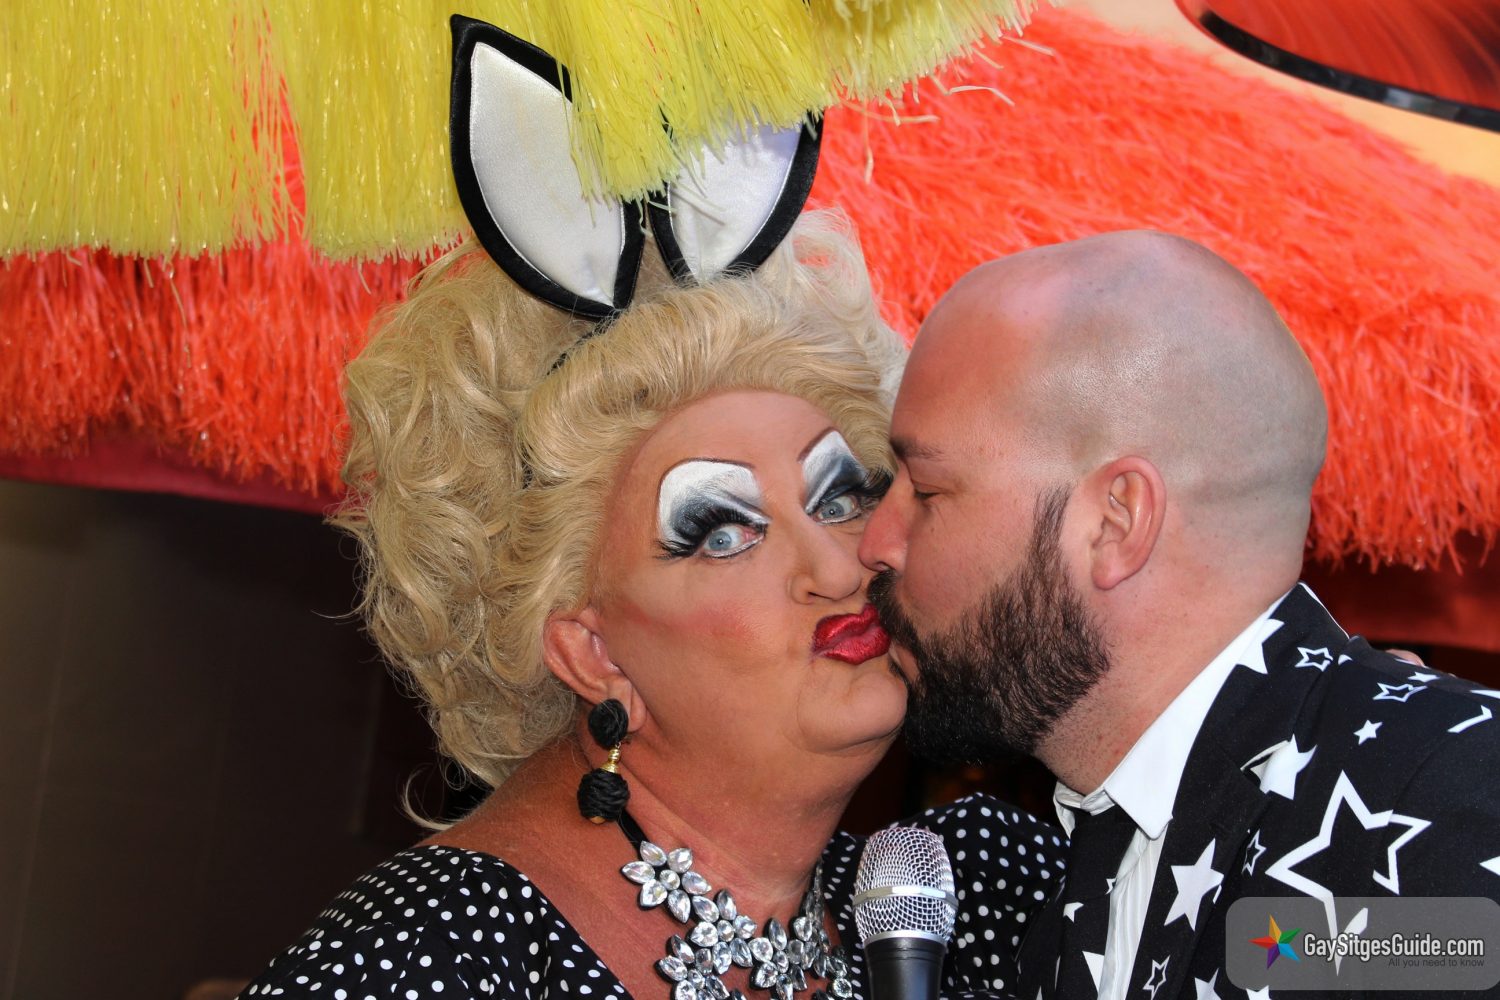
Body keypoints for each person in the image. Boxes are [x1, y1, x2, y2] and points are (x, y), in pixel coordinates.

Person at [236, 210, 1062, 1000]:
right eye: (725, 534)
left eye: (840, 498)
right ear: (593, 655)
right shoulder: (429, 955)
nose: (839, 568)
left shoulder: (980, 899)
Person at [861, 230, 1500, 1000]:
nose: (876, 543)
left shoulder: (1453, 802)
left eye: (928, 491)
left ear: (1116, 521)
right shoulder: (1089, 877)